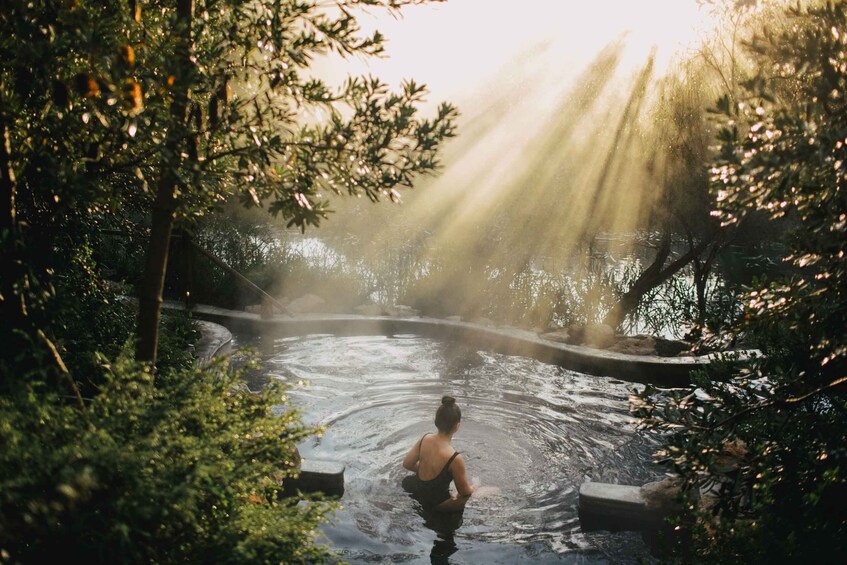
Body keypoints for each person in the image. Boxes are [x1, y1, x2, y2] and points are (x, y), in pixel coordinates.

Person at [402, 395, 474, 513]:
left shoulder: (425, 438)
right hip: (436, 503)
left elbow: (407, 464)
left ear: (436, 421)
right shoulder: (455, 458)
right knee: (485, 492)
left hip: (416, 491)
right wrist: (474, 487)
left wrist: (426, 471)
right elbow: (464, 492)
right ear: (457, 426)